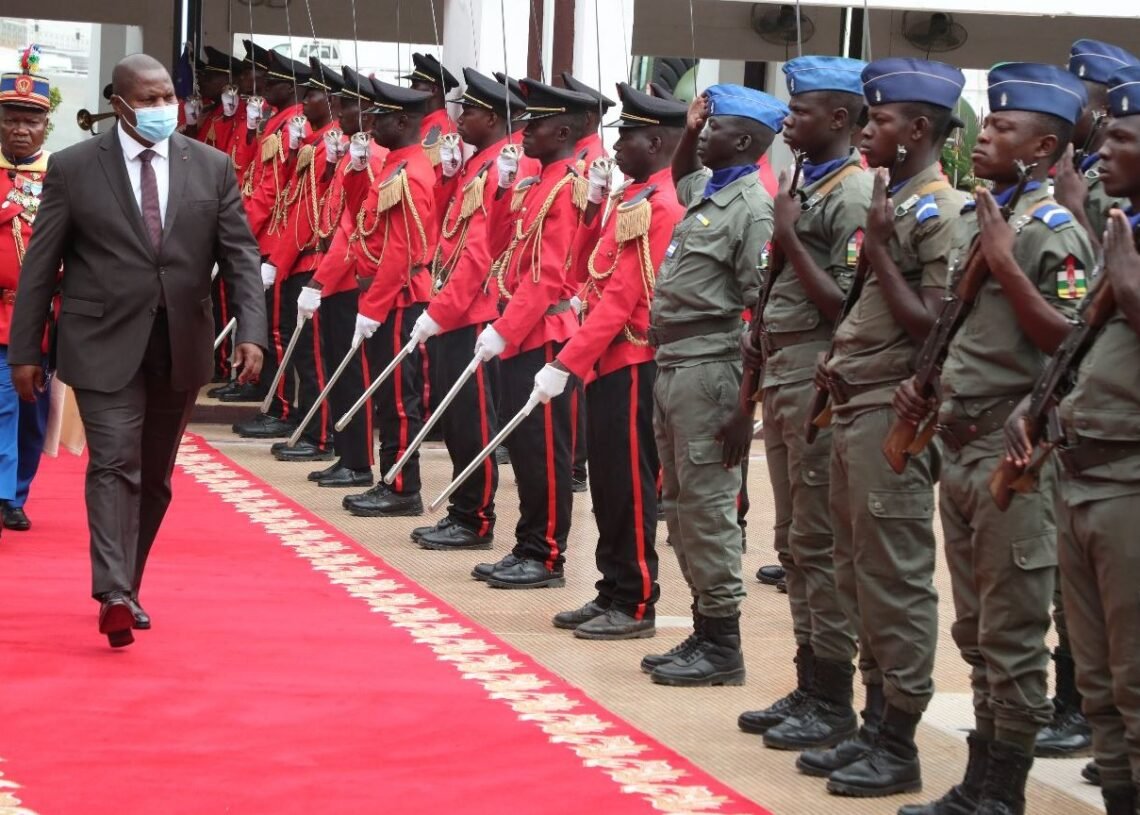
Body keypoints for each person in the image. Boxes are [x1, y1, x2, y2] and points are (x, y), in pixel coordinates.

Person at [9, 53, 265, 648]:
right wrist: (27, 349)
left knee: (154, 478)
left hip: (180, 343)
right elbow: (41, 266)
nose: (162, 110)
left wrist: (251, 330)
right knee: (113, 462)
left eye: (167, 99)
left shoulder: (211, 166)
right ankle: (113, 592)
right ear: (120, 105)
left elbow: (240, 258)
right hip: (99, 342)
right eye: (148, 101)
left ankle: (131, 582)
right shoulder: (75, 168)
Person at [893, 62, 1094, 815]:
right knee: (977, 626)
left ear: (1043, 148)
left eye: (1004, 128)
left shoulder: (1049, 231)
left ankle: (1002, 790)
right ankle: (980, 776)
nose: (985, 136)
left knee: (1011, 632)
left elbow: (1071, 340)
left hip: (1014, 454)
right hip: (962, 442)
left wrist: (1007, 265)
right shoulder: (985, 217)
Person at [802, 58, 966, 797]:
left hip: (889, 414)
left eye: (881, 120)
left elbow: (936, 321)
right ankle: (872, 723)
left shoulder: (938, 210)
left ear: (920, 130)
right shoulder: (891, 200)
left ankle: (899, 739)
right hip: (852, 403)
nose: (868, 131)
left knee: (893, 579)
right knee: (855, 572)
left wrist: (876, 243)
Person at [1002, 63, 1140, 815]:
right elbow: (1080, 344)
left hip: (1131, 482)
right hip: (1083, 474)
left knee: (1136, 680)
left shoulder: (1117, 241)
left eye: (1121, 134)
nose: (1102, 146)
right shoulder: (1122, 228)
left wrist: (1126, 273)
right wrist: (1034, 404)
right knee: (1103, 683)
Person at [737, 55, 871, 752]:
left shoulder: (849, 194)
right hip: (784, 371)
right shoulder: (805, 181)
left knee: (818, 544)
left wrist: (788, 234)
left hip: (819, 378)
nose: (789, 120)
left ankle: (832, 695)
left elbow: (846, 305)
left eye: (803, 110)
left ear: (841, 119)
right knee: (794, 543)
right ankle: (809, 681)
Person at [640, 83, 783, 687]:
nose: (704, 136)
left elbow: (764, 313)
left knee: (707, 509)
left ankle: (723, 645)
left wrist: (743, 406)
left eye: (717, 128)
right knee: (678, 505)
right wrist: (693, 129)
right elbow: (680, 176)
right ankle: (703, 632)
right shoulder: (712, 190)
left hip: (711, 368)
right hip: (675, 362)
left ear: (745, 142)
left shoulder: (752, 208)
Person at [533, 82, 686, 639]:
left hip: (630, 360)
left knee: (629, 486)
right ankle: (612, 587)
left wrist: (567, 361)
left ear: (657, 141)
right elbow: (587, 274)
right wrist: (596, 206)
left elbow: (622, 296)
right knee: (607, 486)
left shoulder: (660, 204)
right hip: (606, 361)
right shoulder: (630, 198)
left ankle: (637, 599)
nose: (615, 146)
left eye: (628, 137)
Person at [1038, 39, 1140, 766]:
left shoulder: (1096, 206)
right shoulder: (1097, 200)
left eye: (1114, 125)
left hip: (1126, 466)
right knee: (1100, 667)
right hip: (1079, 444)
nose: (1100, 137)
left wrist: (1080, 216)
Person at [467, 78, 594, 589]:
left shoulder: (567, 187)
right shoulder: (537, 180)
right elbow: (504, 246)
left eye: (534, 125)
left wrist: (506, 328)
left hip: (543, 332)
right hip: (522, 327)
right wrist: (500, 190)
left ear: (561, 129)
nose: (523, 134)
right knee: (522, 447)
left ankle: (545, 554)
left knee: (544, 452)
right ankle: (527, 543)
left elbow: (546, 276)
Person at [405, 68, 539, 551]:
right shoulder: (477, 163)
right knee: (459, 419)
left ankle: (474, 517)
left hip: (473, 308)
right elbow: (449, 230)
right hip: (456, 305)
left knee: (471, 419)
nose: (458, 119)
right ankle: (465, 511)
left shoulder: (502, 165)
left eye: (470, 113)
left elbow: (479, 253)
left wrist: (443, 310)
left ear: (493, 118)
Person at [339, 78, 438, 517]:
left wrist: (372, 308)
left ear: (402, 121)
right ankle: (391, 478)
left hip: (398, 299)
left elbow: (402, 251)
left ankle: (401, 487)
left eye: (381, 115)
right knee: (388, 396)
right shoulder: (393, 165)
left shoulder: (410, 171)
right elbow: (363, 217)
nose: (371, 121)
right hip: (388, 296)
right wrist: (358, 170)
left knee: (398, 398)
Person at [298, 66, 384, 490]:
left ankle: (358, 460)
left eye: (349, 104)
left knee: (352, 374)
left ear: (368, 111)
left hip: (350, 281)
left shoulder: (372, 159)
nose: (341, 111)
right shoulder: (350, 152)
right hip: (334, 276)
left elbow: (354, 228)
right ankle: (346, 453)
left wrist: (321, 280)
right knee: (338, 368)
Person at [262, 59, 345, 464]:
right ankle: (312, 428)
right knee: (305, 354)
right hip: (300, 260)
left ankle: (321, 435)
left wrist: (278, 258)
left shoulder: (330, 145)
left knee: (312, 357)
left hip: (312, 261)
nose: (304, 102)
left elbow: (305, 216)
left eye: (311, 95)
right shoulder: (314, 143)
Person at [0, 50, 54, 533]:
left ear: (45, 127)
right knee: (4, 403)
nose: (20, 130)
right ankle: (4, 498)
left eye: (30, 122)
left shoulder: (62, 177)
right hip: (0, 317)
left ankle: (17, 492)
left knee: (36, 416)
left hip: (44, 322)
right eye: (12, 121)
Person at [1055, 40, 1140, 256]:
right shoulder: (1074, 171)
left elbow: (1120, 275)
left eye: (1074, 104)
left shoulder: (1123, 182)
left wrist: (1073, 209)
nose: (1060, 112)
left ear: (1105, 112)